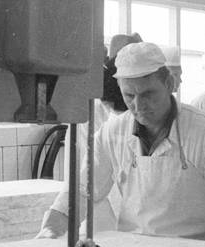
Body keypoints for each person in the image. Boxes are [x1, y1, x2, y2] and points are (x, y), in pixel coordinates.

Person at [37, 42, 205, 247]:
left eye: (147, 94)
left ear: (169, 84)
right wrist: (51, 230)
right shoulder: (113, 132)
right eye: (129, 96)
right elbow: (82, 190)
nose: (138, 105)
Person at [40, 33, 139, 236]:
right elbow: (84, 184)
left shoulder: (194, 127)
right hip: (102, 217)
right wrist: (52, 225)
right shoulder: (96, 122)